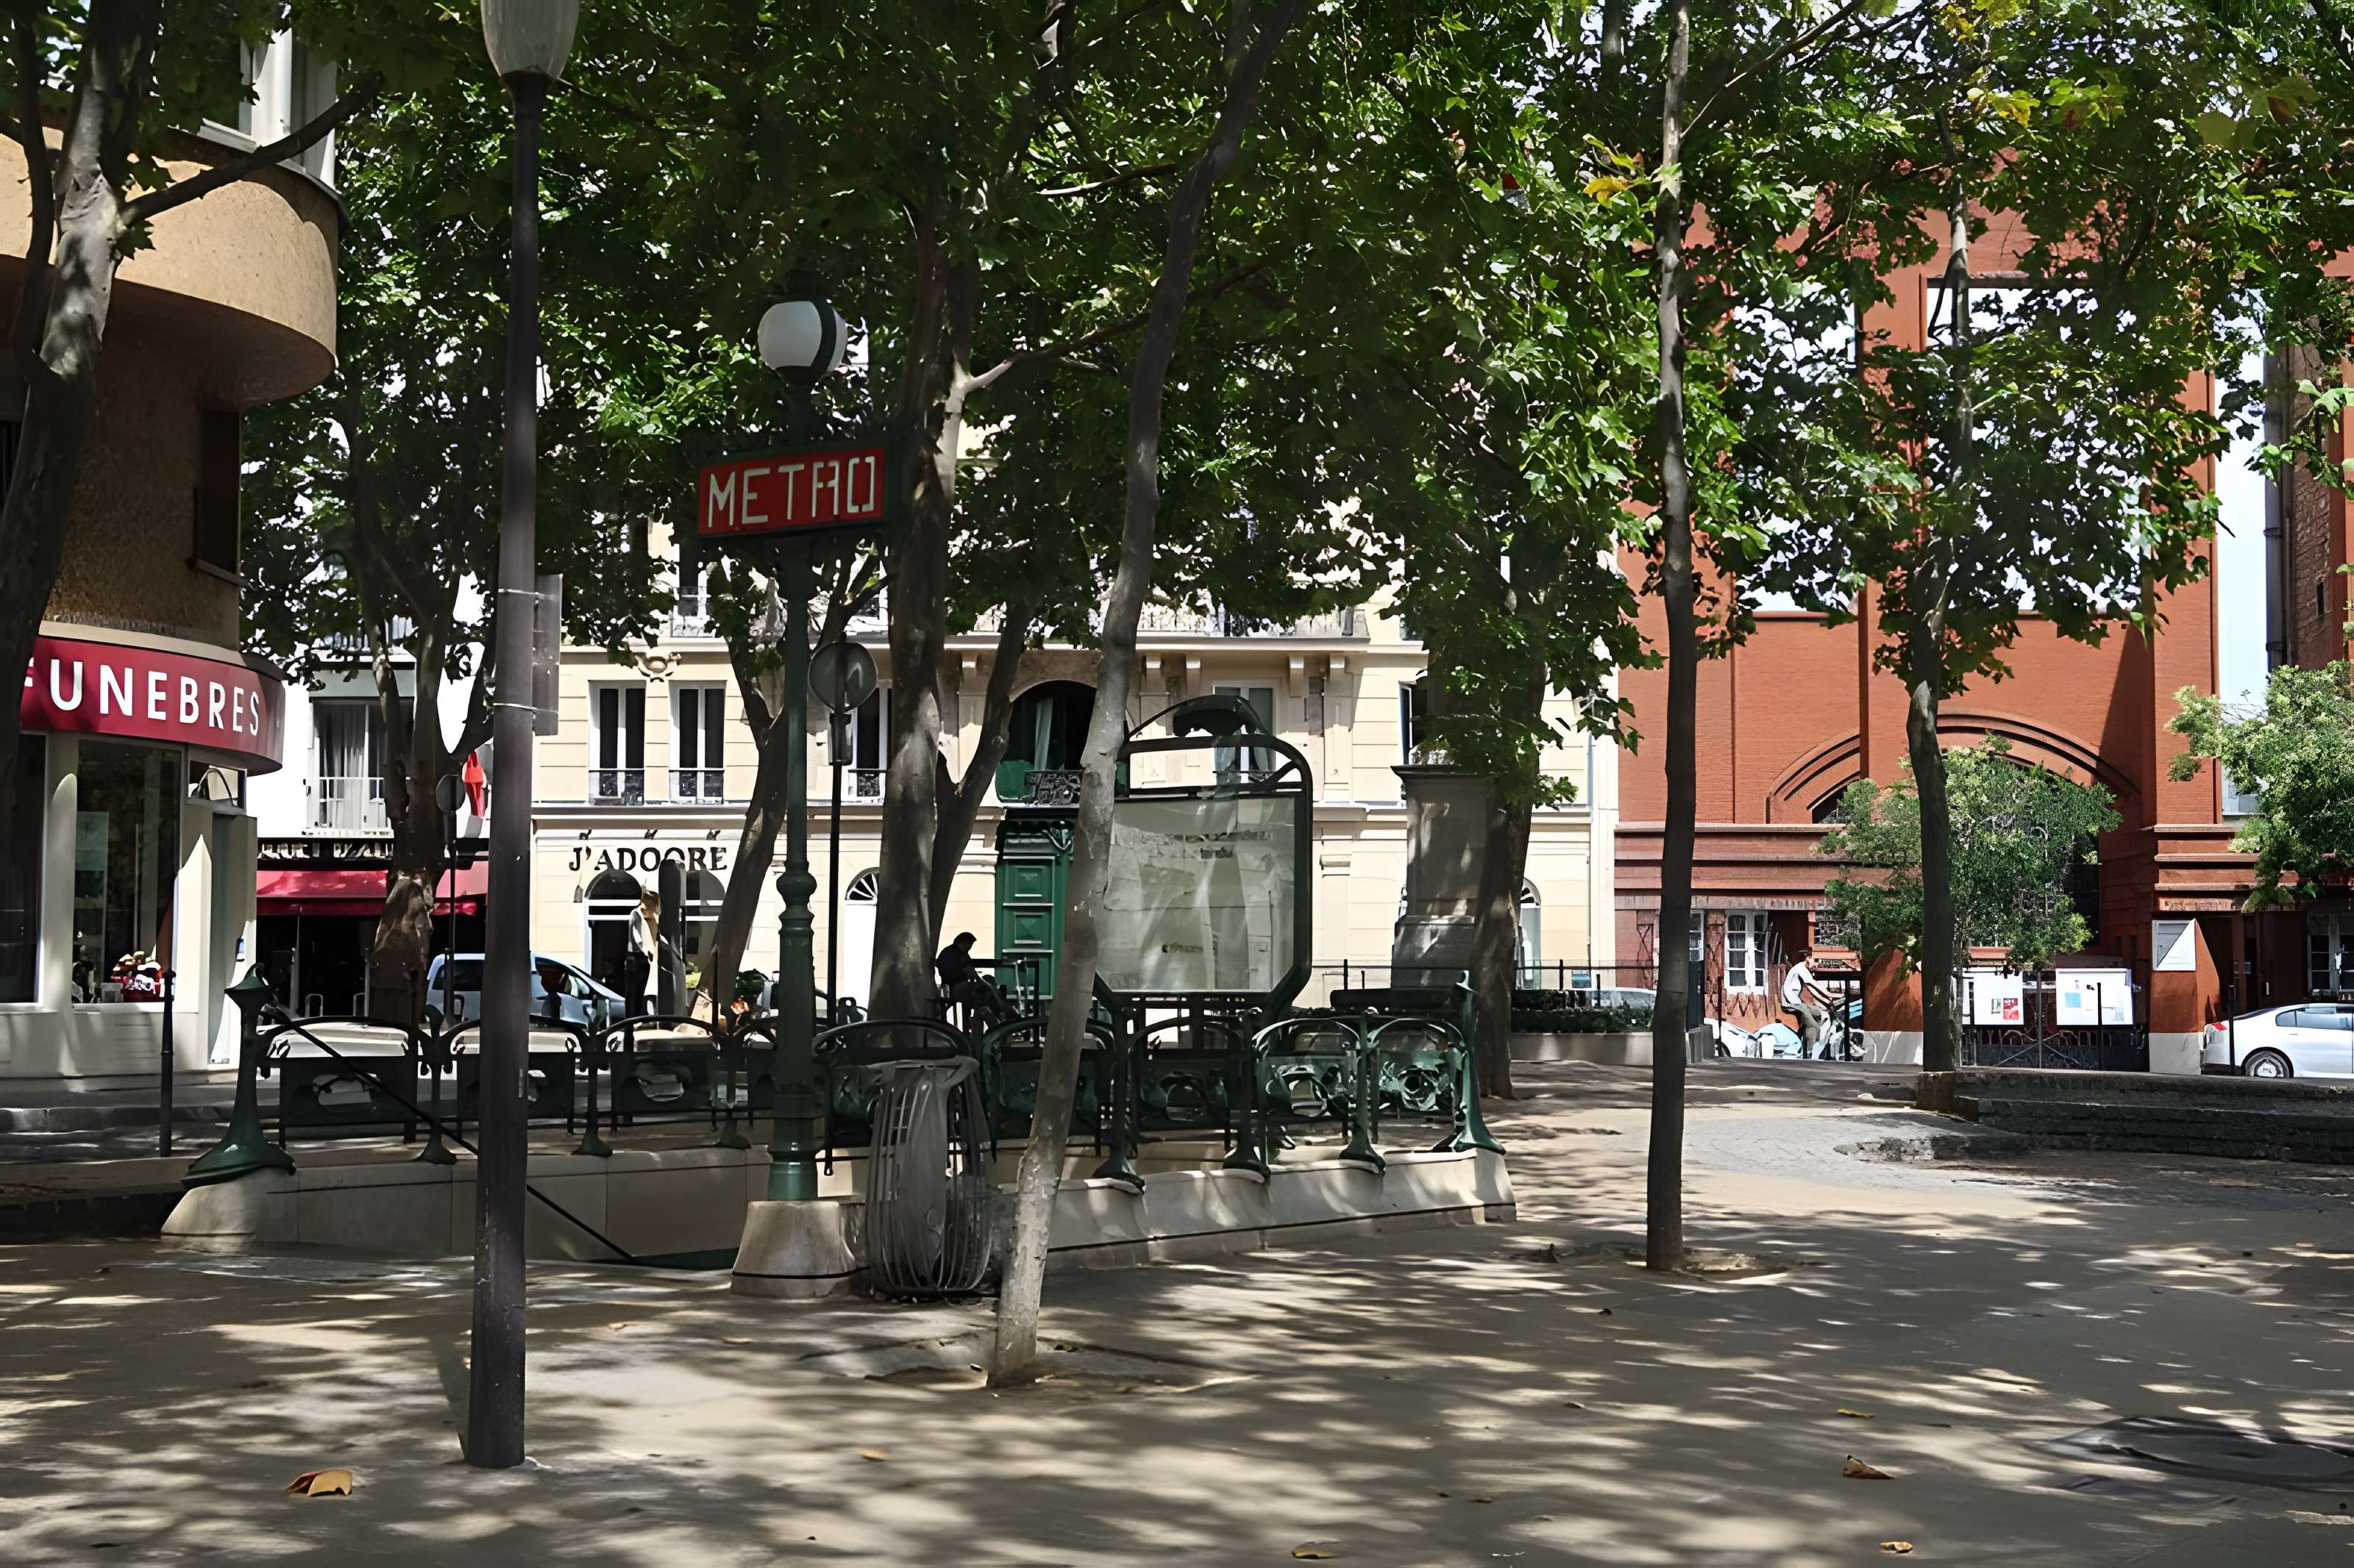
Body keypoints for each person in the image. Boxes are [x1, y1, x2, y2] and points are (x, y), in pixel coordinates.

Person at [935, 931, 1011, 1026]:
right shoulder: (950, 954)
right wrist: (967, 974)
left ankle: (998, 1009)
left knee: (988, 981)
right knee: (984, 992)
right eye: (969, 945)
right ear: (962, 943)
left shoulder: (962, 954)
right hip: (954, 987)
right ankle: (1001, 1014)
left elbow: (971, 971)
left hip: (962, 985)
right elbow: (950, 974)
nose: (969, 948)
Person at [1782, 947, 1829, 1057]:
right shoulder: (1800, 968)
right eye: (1812, 958)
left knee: (1819, 1011)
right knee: (1812, 1024)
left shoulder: (1802, 968)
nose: (1814, 961)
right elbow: (1813, 985)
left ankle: (1809, 1038)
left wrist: (1826, 1000)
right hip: (1791, 1002)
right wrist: (1828, 996)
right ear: (1807, 958)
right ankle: (1810, 1049)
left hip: (1797, 1001)